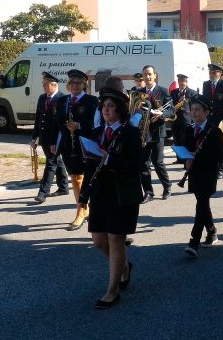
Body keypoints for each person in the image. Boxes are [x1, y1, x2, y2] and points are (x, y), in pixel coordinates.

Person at [79, 87, 143, 309]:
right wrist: (82, 196)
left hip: (122, 193)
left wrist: (110, 161)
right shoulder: (96, 132)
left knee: (116, 240)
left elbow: (138, 166)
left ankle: (112, 291)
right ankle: (124, 266)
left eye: (111, 106)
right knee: (99, 241)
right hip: (99, 193)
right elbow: (89, 166)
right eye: (104, 106)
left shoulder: (131, 133)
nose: (106, 109)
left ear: (121, 110)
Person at [51, 69, 99, 230]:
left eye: (78, 83)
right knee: (75, 178)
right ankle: (83, 209)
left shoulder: (92, 101)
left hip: (85, 144)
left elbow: (97, 123)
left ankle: (82, 209)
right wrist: (53, 142)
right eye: (72, 82)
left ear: (84, 85)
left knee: (84, 178)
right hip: (67, 145)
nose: (75, 85)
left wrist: (79, 125)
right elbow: (55, 123)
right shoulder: (62, 101)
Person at [181, 94, 223, 257]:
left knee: (201, 204)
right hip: (194, 172)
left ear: (207, 113)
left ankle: (194, 241)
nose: (194, 112)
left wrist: (198, 157)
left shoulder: (213, 131)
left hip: (208, 172)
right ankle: (212, 231)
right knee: (202, 202)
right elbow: (184, 151)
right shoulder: (188, 129)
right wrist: (185, 161)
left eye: (198, 110)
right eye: (192, 109)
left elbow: (219, 155)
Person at [31, 72, 69, 203]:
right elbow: (38, 118)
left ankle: (43, 192)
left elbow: (62, 121)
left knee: (51, 163)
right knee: (56, 161)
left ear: (54, 85)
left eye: (46, 85)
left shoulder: (62, 98)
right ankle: (63, 187)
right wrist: (34, 137)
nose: (44, 87)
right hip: (44, 137)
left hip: (56, 138)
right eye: (43, 84)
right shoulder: (42, 98)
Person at [139, 65, 175, 203]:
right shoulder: (139, 92)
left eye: (150, 74)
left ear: (155, 75)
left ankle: (167, 186)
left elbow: (172, 110)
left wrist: (162, 114)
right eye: (145, 74)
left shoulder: (163, 91)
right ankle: (148, 192)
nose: (147, 77)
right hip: (144, 132)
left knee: (158, 162)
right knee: (143, 164)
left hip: (158, 132)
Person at [202, 64, 223, 179]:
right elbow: (204, 102)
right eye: (210, 72)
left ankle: (220, 169)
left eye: (214, 73)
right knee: (209, 144)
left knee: (221, 145)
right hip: (208, 119)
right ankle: (212, 167)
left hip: (221, 120)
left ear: (220, 73)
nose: (212, 75)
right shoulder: (206, 84)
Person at [169, 74, 198, 154]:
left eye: (183, 81)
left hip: (186, 119)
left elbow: (195, 106)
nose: (181, 83)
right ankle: (179, 158)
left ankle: (185, 157)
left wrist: (194, 119)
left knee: (184, 139)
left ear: (186, 82)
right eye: (179, 81)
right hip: (175, 119)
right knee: (176, 139)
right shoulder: (174, 92)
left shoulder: (192, 92)